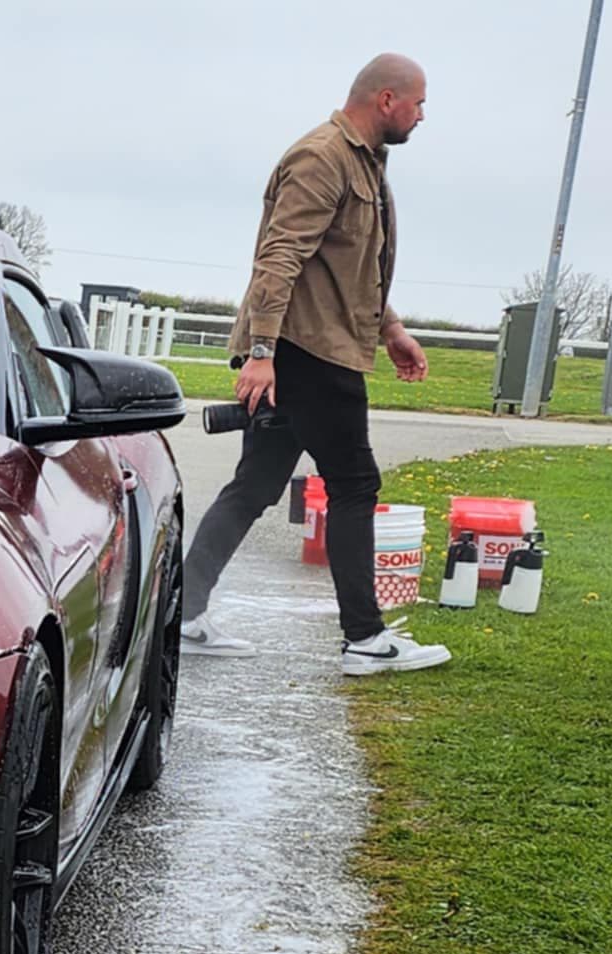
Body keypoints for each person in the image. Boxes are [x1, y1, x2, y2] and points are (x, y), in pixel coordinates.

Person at [181, 54, 451, 677]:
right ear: (387, 100)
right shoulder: (322, 157)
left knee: (254, 486)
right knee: (356, 485)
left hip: (316, 348)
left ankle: (184, 612)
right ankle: (365, 639)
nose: (422, 115)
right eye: (418, 102)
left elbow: (353, 269)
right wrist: (262, 355)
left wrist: (392, 329)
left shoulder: (364, 163)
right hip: (307, 354)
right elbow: (279, 259)